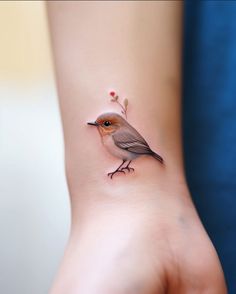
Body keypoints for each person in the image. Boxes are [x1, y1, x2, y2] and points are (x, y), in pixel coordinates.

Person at [47, 2, 227, 293]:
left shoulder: (119, 136)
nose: (100, 129)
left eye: (104, 125)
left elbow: (134, 148)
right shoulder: (113, 137)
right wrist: (123, 207)